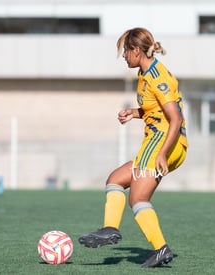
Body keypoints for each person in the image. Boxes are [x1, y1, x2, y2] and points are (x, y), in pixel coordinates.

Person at [78, 27, 188, 268]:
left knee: (138, 197)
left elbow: (176, 118)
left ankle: (160, 248)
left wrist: (161, 153)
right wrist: (135, 113)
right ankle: (111, 229)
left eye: (125, 51)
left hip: (163, 141)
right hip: (161, 141)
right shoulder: (145, 72)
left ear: (136, 50)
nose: (124, 56)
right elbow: (156, 109)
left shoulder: (156, 76)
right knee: (115, 179)